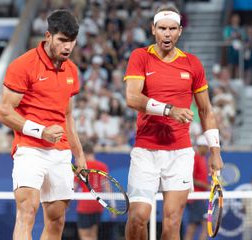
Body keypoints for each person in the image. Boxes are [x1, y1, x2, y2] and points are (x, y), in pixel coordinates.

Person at [123, 6, 223, 240]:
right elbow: (132, 98)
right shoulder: (140, 57)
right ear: (153, 30)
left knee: (172, 221)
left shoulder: (192, 63)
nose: (166, 34)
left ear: (179, 31)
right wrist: (169, 110)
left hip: (180, 154)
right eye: (162, 29)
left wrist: (215, 151)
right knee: (138, 217)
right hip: (145, 151)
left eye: (171, 29)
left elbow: (206, 110)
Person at [0, 10, 87, 239]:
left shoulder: (72, 71)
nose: (68, 47)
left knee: (57, 219)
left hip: (61, 152)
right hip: (29, 149)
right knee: (27, 210)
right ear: (48, 36)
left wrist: (80, 155)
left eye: (72, 41)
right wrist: (41, 132)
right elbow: (4, 112)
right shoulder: (23, 65)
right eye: (62, 40)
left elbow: (67, 116)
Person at [75, 143, 109, 240]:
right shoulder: (102, 166)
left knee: (84, 236)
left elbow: (74, 186)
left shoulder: (81, 167)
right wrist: (113, 205)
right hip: (97, 205)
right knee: (93, 235)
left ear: (84, 153)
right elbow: (106, 187)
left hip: (85, 206)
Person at [184, 135, 210, 240]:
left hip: (199, 198)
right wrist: (207, 185)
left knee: (195, 226)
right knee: (203, 225)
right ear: (201, 146)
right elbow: (190, 179)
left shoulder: (203, 158)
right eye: (207, 147)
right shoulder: (194, 157)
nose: (208, 149)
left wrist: (208, 184)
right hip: (195, 198)